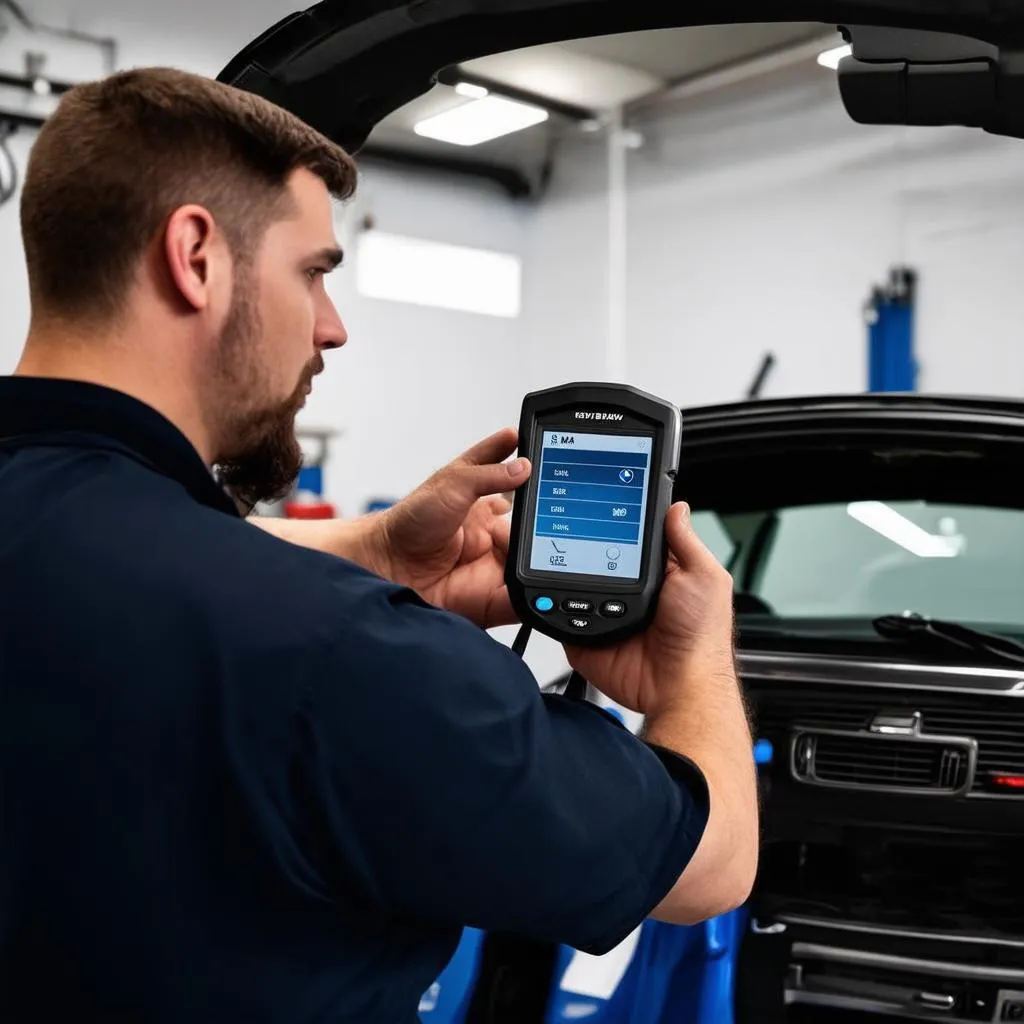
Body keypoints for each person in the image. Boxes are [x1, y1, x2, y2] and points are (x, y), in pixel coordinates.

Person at [0, 67, 758, 1023]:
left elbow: (112, 543)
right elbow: (712, 865)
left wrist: (379, 552)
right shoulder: (351, 658)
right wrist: (694, 668)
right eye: (313, 271)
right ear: (195, 256)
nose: (334, 326)